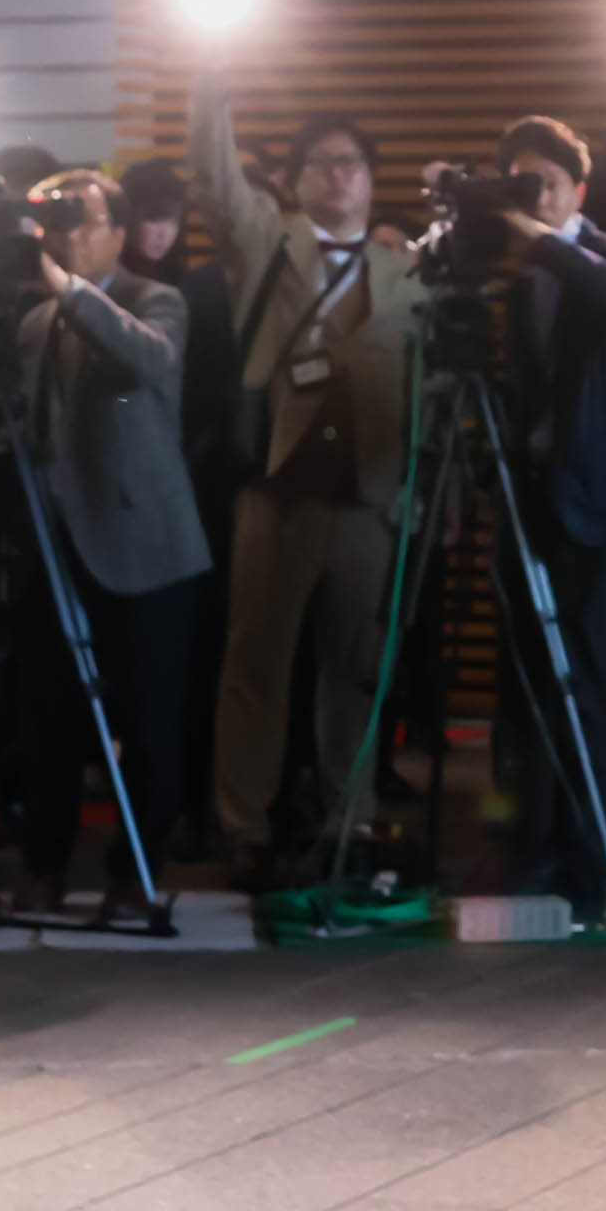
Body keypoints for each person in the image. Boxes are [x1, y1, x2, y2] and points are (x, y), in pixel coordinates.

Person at [187, 66, 424, 889]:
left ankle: (348, 818)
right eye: (321, 161)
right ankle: (246, 825)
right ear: (292, 179)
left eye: (352, 160)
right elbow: (216, 182)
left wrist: (440, 496)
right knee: (256, 664)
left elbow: (436, 387)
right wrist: (209, 79)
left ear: (371, 177)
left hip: (371, 493)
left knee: (354, 670)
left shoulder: (407, 270)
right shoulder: (265, 244)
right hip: (278, 487)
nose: (339, 172)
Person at [8, 170, 211, 922]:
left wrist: (72, 293)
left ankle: (136, 868)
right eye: (53, 220)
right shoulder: (32, 322)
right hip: (56, 540)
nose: (63, 233)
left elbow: (147, 362)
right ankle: (44, 863)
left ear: (118, 232)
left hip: (144, 542)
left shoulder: (155, 300)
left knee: (150, 719)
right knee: (44, 720)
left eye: (79, 218)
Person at [488, 115, 606, 913]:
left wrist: (547, 239)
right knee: (529, 691)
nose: (535, 201)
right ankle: (530, 858)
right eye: (521, 186)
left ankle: (591, 867)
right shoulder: (518, 273)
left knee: (591, 689)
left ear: (579, 191)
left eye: (547, 186)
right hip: (532, 500)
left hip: (601, 504)